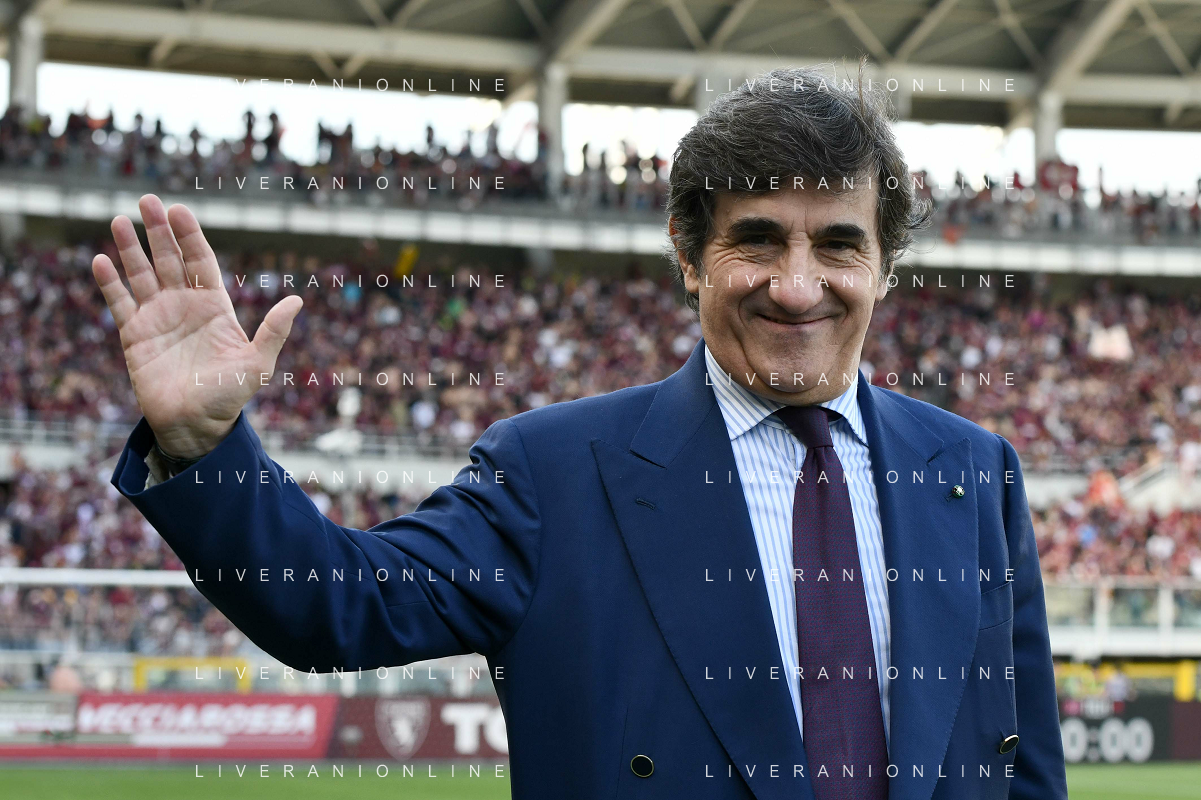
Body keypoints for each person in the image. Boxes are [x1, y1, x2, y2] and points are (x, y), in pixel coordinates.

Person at [94, 64, 1067, 799]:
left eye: (839, 245)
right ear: (689, 254)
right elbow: (333, 607)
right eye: (758, 239)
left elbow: (1022, 764)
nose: (796, 284)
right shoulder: (555, 471)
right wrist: (206, 446)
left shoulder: (973, 471)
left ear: (884, 268)